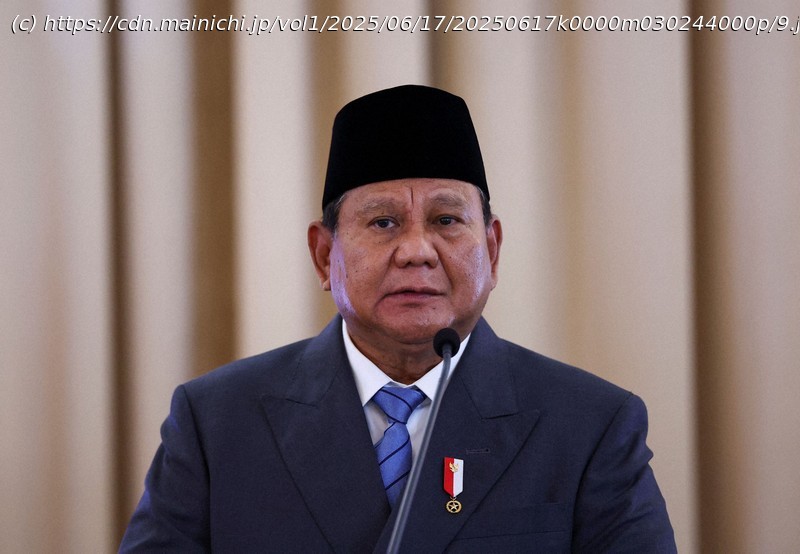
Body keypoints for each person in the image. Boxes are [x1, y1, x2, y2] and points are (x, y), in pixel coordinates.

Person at [120, 85, 676, 552]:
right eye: (383, 223)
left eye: (446, 220)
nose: (416, 251)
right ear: (324, 255)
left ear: (492, 249)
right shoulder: (217, 423)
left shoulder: (591, 425)